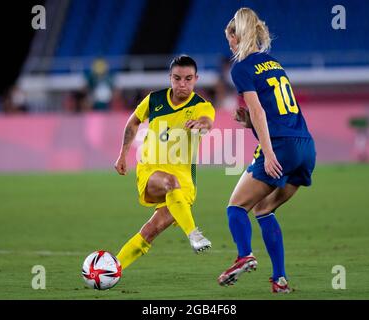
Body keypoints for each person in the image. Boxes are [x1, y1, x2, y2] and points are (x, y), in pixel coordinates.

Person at [217, 8, 316, 293]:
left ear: (238, 36)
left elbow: (259, 110)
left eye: (230, 40)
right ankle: (280, 279)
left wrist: (270, 153)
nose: (230, 46)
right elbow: (277, 111)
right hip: (305, 146)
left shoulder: (241, 68)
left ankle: (244, 255)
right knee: (264, 208)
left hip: (281, 147)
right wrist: (249, 123)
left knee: (236, 207)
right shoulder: (273, 63)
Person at [113, 55, 215, 271]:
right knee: (170, 181)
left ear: (196, 79)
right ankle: (194, 235)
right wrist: (123, 154)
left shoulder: (202, 106)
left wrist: (201, 125)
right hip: (151, 172)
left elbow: (207, 122)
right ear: (170, 78)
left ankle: (113, 269)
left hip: (185, 185)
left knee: (151, 230)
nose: (182, 84)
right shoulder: (154, 99)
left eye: (188, 79)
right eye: (177, 78)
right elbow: (134, 121)